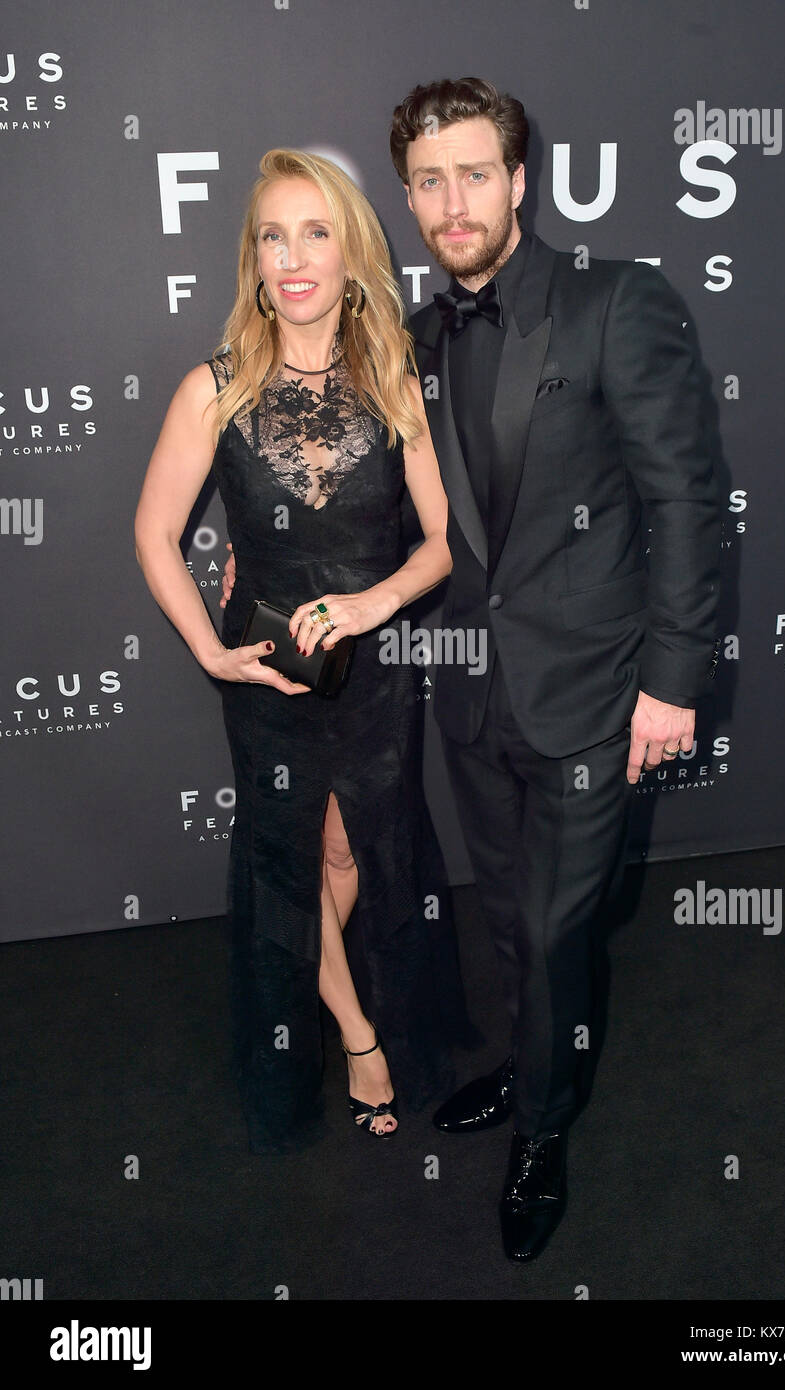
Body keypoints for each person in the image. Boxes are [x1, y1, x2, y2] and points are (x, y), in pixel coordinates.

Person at [387, 77, 723, 1260]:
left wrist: (673, 682)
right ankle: (518, 1061)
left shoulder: (615, 304)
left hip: (594, 692)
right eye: (429, 180)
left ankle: (540, 1128)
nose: (452, 199)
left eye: (474, 172)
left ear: (520, 180)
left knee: (544, 926)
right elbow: (424, 525)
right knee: (504, 923)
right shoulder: (419, 338)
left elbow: (686, 501)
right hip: (474, 695)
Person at [135, 148, 476, 1155]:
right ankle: (359, 1038)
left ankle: (336, 1009)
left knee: (351, 852)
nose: (292, 258)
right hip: (266, 668)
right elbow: (154, 534)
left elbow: (444, 544)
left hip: (374, 670)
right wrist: (210, 650)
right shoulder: (216, 387)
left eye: (314, 232)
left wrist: (376, 599)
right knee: (285, 863)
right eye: (272, 236)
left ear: (349, 250)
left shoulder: (396, 377)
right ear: (253, 256)